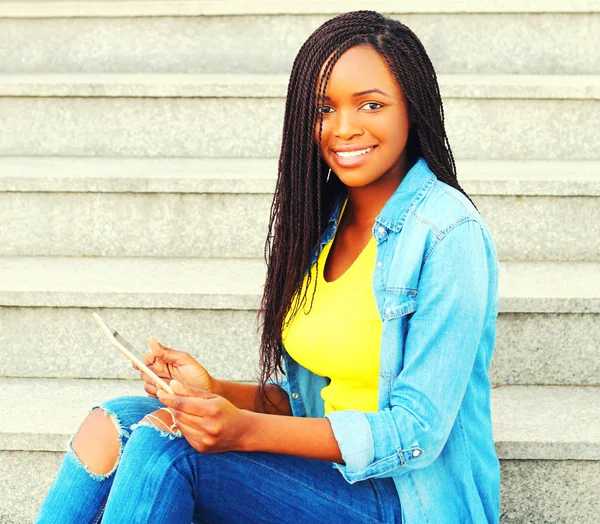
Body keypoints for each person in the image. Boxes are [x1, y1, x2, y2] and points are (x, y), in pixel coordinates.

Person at [35, 10, 500, 523]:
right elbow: (311, 404)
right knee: (112, 425)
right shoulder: (324, 224)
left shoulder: (448, 235)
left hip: (405, 500)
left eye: (371, 104)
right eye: (324, 108)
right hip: (327, 479)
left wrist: (242, 430)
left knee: (166, 452)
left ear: (412, 110)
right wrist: (215, 393)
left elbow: (415, 432)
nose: (344, 129)